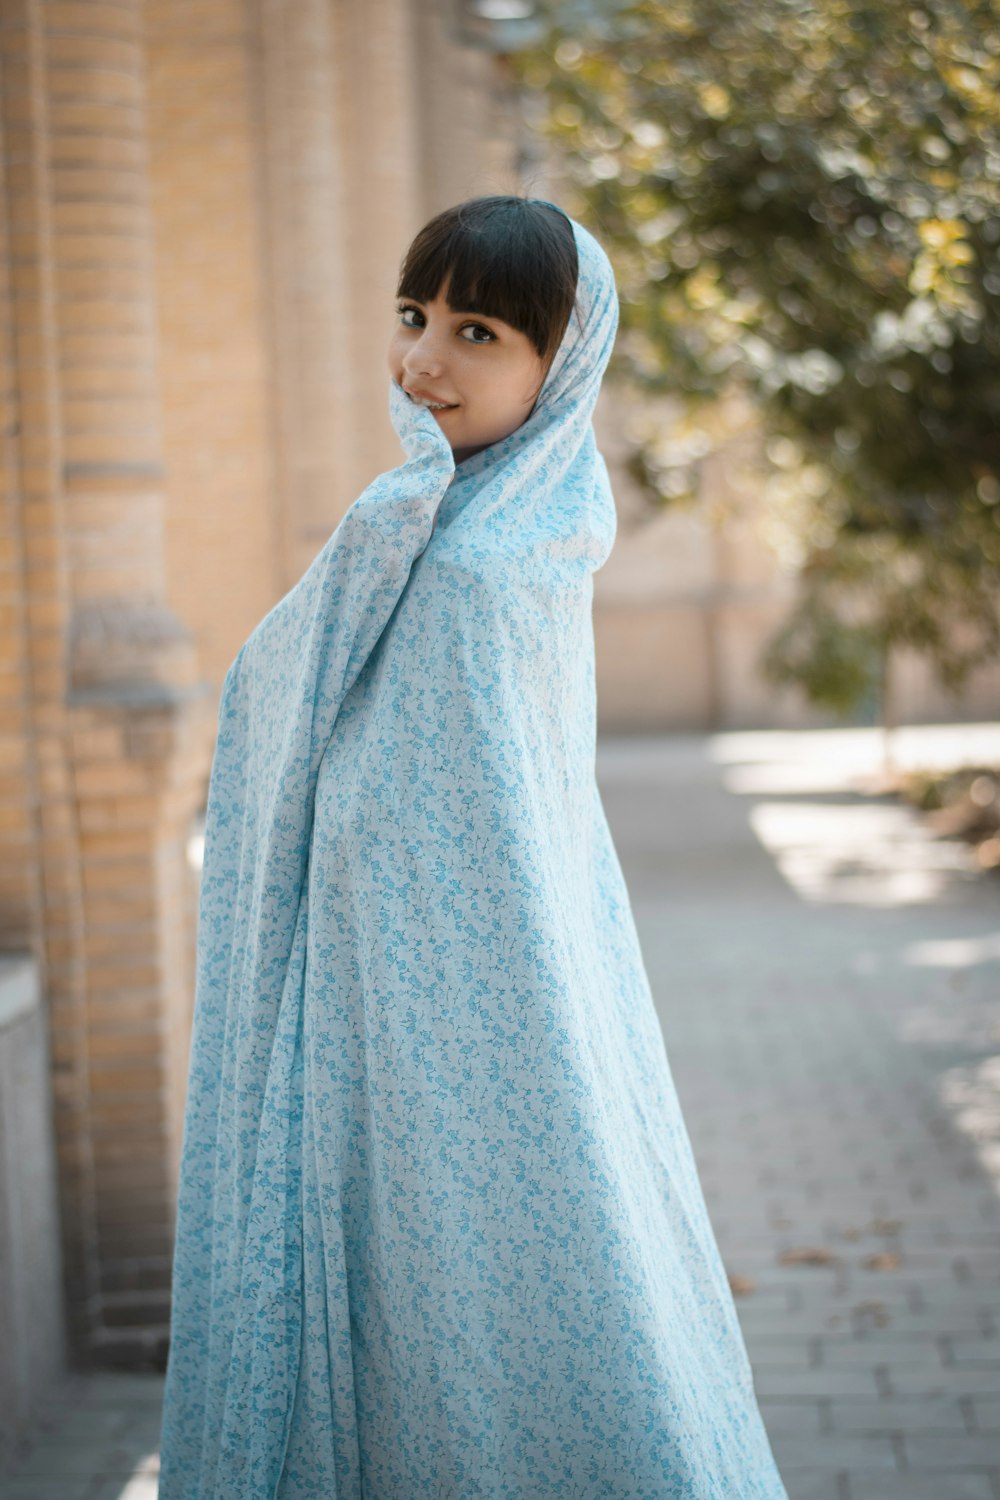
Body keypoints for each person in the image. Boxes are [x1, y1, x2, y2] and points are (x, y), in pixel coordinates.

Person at [158, 195, 789, 1499]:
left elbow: (433, 819)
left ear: (561, 366)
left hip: (418, 1041)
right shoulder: (511, 521)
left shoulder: (462, 561)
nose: (423, 360)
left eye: (478, 330)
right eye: (413, 315)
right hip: (482, 1020)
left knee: (444, 1345)